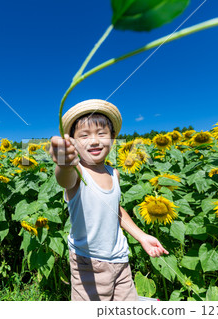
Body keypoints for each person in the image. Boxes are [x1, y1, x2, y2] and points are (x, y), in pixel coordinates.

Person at [49, 99, 168, 301]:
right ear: (73, 143)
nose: (94, 141)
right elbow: (64, 179)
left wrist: (141, 236)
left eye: (101, 134)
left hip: (121, 260)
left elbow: (116, 210)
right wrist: (64, 162)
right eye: (84, 136)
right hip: (88, 263)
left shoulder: (114, 173)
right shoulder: (77, 172)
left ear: (113, 138)